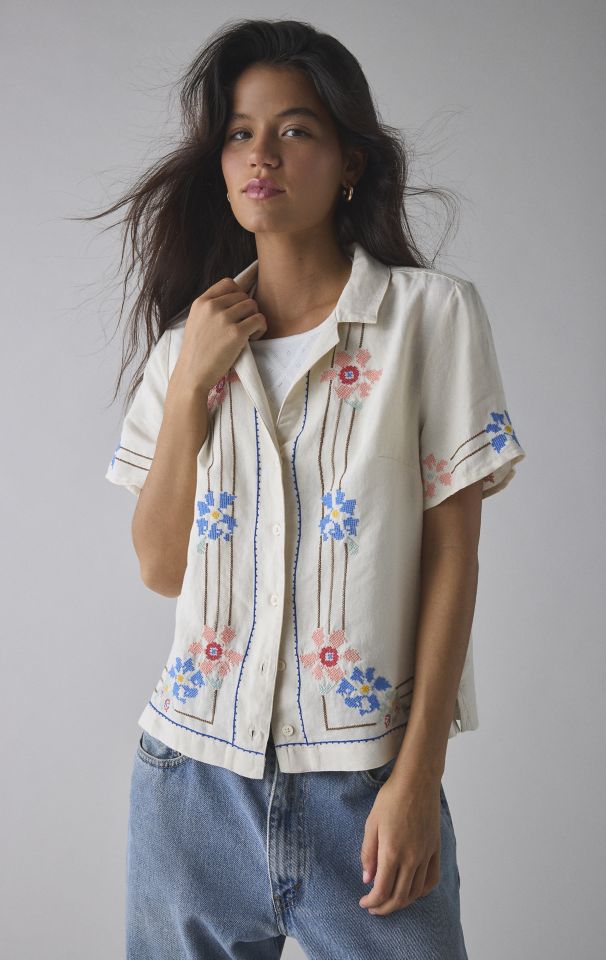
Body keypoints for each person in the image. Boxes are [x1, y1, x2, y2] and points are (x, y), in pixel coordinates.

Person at [98, 18, 526, 960]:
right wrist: (193, 385)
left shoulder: (429, 319)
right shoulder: (183, 350)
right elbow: (161, 567)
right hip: (191, 784)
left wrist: (416, 782)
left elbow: (454, 560)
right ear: (220, 164)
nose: (262, 154)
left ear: (350, 163)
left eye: (295, 130)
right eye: (240, 133)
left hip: (365, 787)